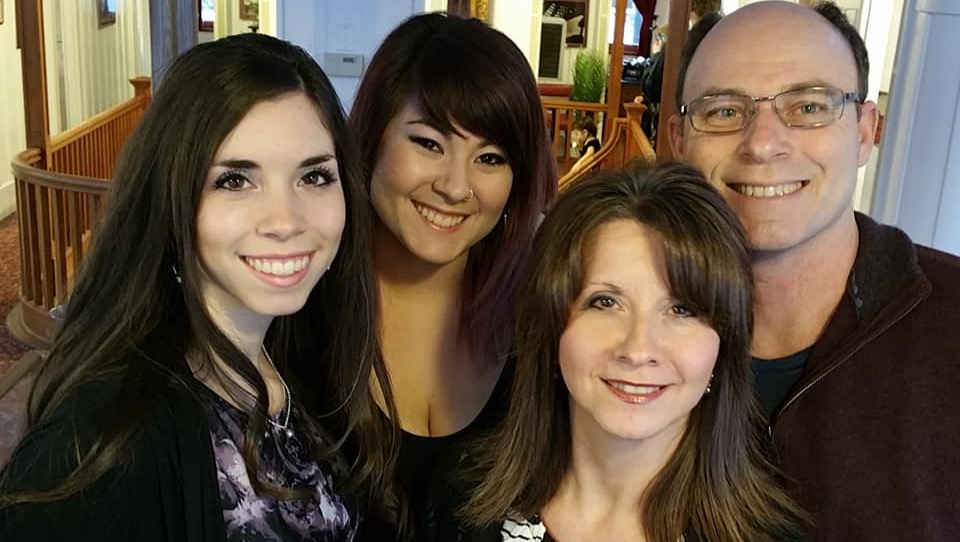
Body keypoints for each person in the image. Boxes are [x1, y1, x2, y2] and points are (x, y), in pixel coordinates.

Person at [0, 33, 386, 541]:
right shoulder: (106, 443)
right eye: (234, 180)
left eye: (314, 176)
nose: (286, 221)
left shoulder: (300, 352)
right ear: (170, 200)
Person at [668, 1, 960, 539]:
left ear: (865, 131)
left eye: (809, 106)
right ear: (678, 140)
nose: (762, 144)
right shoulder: (622, 330)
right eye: (724, 111)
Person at [457, 161, 806, 542]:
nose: (638, 349)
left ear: (724, 346)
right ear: (551, 327)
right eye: (605, 302)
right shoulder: (456, 504)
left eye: (681, 310)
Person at [349, 12, 557, 540]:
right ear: (373, 136)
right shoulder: (295, 318)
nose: (456, 187)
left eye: (490, 158)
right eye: (429, 144)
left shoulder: (541, 330)